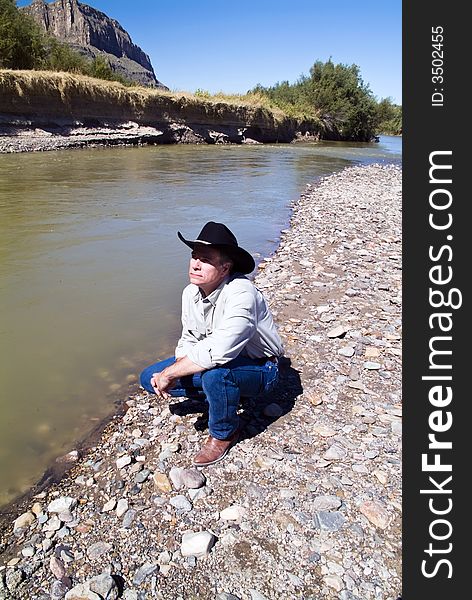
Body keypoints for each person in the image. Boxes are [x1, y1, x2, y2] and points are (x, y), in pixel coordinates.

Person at [140, 221, 284, 467]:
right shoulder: (190, 293)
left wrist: (173, 373)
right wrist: (175, 367)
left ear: (225, 267)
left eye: (205, 260)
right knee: (148, 378)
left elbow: (221, 347)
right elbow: (189, 338)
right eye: (194, 256)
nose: (195, 264)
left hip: (261, 368)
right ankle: (224, 395)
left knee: (215, 376)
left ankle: (224, 433)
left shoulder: (242, 293)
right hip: (220, 360)